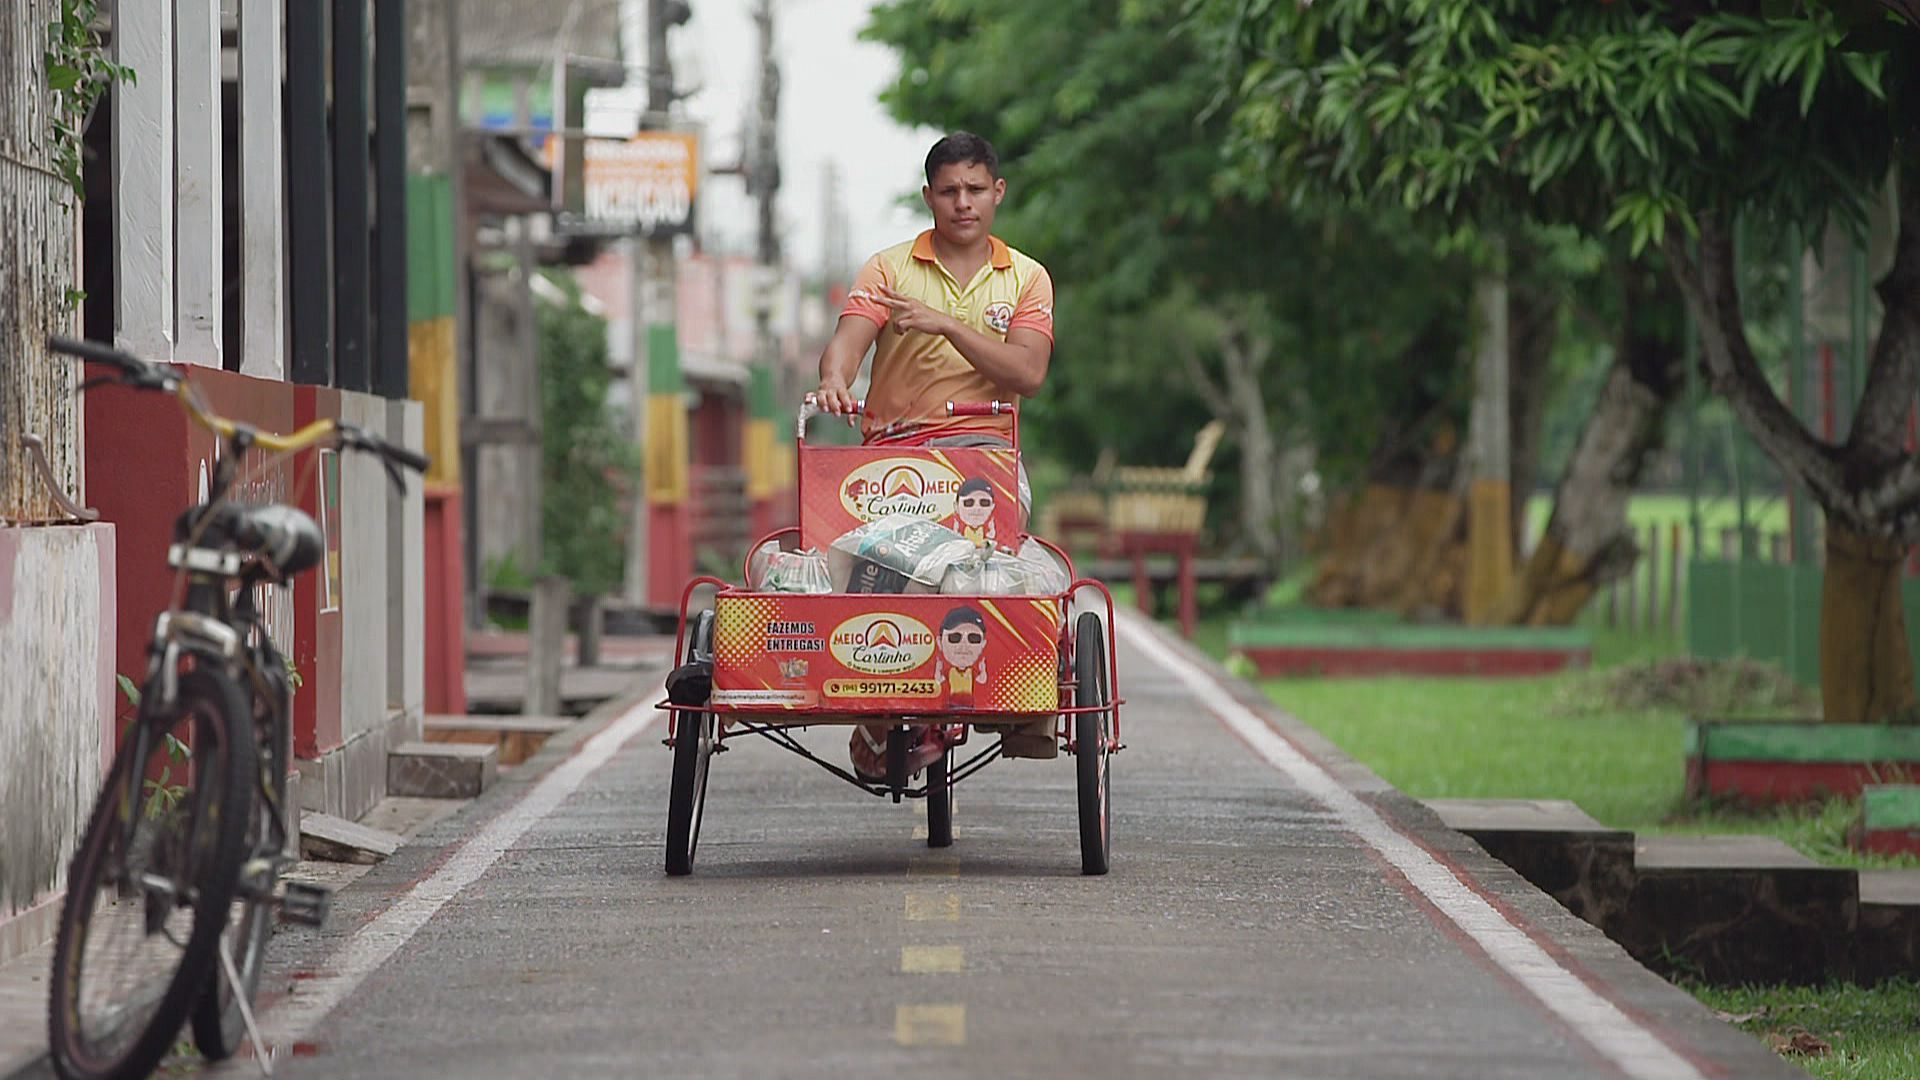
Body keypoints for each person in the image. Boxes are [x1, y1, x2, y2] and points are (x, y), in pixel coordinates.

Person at [815, 132, 1057, 776]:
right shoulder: (889, 269)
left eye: (976, 190)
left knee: (995, 576)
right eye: (949, 191)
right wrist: (836, 377)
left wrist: (948, 323)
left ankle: (1023, 704)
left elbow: (1028, 374)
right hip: (891, 462)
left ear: (997, 193)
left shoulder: (1027, 278)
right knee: (866, 577)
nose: (963, 204)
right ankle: (876, 717)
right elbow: (849, 340)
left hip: (985, 459)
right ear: (929, 197)